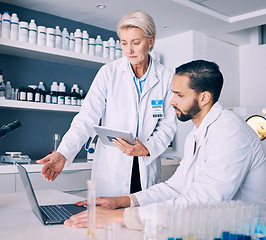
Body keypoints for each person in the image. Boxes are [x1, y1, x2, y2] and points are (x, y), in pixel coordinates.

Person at [64, 60, 266, 230]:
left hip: (248, 233)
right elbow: (176, 186)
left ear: (204, 97)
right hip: (213, 227)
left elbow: (201, 203)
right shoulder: (197, 133)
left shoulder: (231, 134)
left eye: (179, 94)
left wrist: (117, 217)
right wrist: (121, 202)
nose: (171, 101)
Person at [37, 10, 177, 196]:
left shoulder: (167, 77)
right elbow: (87, 117)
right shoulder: (108, 73)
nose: (129, 50)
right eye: (124, 43)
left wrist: (148, 148)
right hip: (112, 169)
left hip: (145, 165)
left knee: (141, 219)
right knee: (106, 221)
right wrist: (63, 153)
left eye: (136, 42)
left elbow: (168, 124)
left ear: (150, 41)